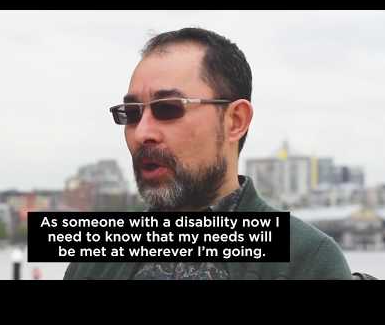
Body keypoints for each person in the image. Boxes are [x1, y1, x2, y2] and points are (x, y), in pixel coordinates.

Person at [64, 27, 353, 280]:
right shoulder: (93, 261)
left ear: (235, 121)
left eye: (168, 108)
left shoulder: (306, 260)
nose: (142, 133)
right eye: (132, 113)